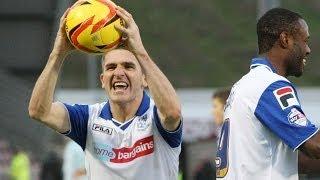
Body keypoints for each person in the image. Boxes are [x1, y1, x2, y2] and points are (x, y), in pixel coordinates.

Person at [28, 2, 182, 180]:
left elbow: (173, 112)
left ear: (144, 79)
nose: (118, 73)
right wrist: (57, 54)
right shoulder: (87, 119)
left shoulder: (157, 116)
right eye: (111, 67)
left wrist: (140, 51)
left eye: (128, 66)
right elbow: (39, 111)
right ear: (102, 80)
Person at [216, 8, 320, 180]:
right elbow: (316, 145)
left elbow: (280, 158)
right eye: (305, 41)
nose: (308, 49)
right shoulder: (270, 85)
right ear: (285, 39)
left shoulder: (243, 85)